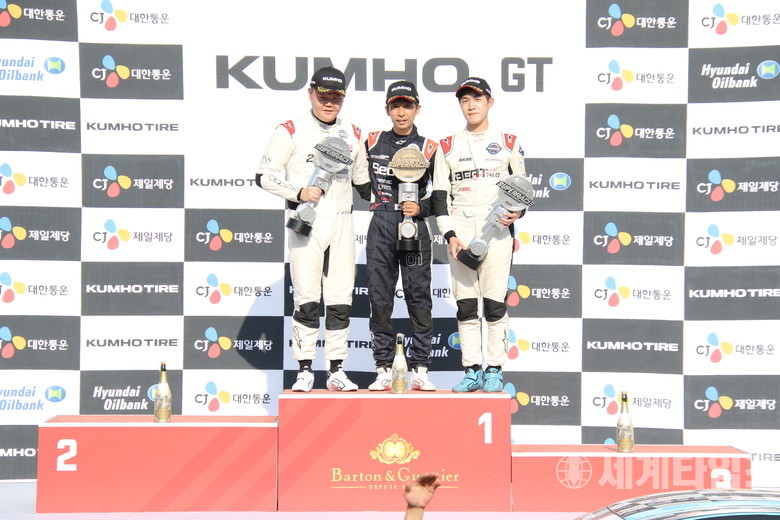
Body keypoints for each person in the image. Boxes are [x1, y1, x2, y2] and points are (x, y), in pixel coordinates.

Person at [256, 66, 370, 392]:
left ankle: (336, 369)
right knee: (306, 298)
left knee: (340, 299)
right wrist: (298, 193)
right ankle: (304, 369)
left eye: (336, 97)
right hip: (307, 222)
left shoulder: (353, 133)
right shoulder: (290, 130)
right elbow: (264, 175)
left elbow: (364, 184)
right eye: (323, 96)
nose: (329, 103)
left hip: (343, 223)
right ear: (310, 94)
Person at [431, 77, 528, 393]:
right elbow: (439, 197)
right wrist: (449, 235)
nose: (470, 105)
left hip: (497, 233)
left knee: (495, 304)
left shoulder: (509, 142)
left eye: (476, 99)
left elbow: (522, 192)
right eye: (464, 100)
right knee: (466, 306)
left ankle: (495, 369)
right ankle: (472, 370)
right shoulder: (447, 145)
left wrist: (518, 214)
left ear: (490, 102)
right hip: (460, 234)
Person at [364, 80, 438, 392]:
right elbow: (357, 181)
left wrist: (421, 207)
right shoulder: (371, 142)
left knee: (418, 296)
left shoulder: (430, 147)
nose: (401, 111)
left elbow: (443, 196)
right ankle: (383, 367)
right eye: (396, 105)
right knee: (380, 298)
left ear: (417, 109)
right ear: (387, 109)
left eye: (407, 105)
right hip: (381, 222)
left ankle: (420, 368)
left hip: (414, 224)